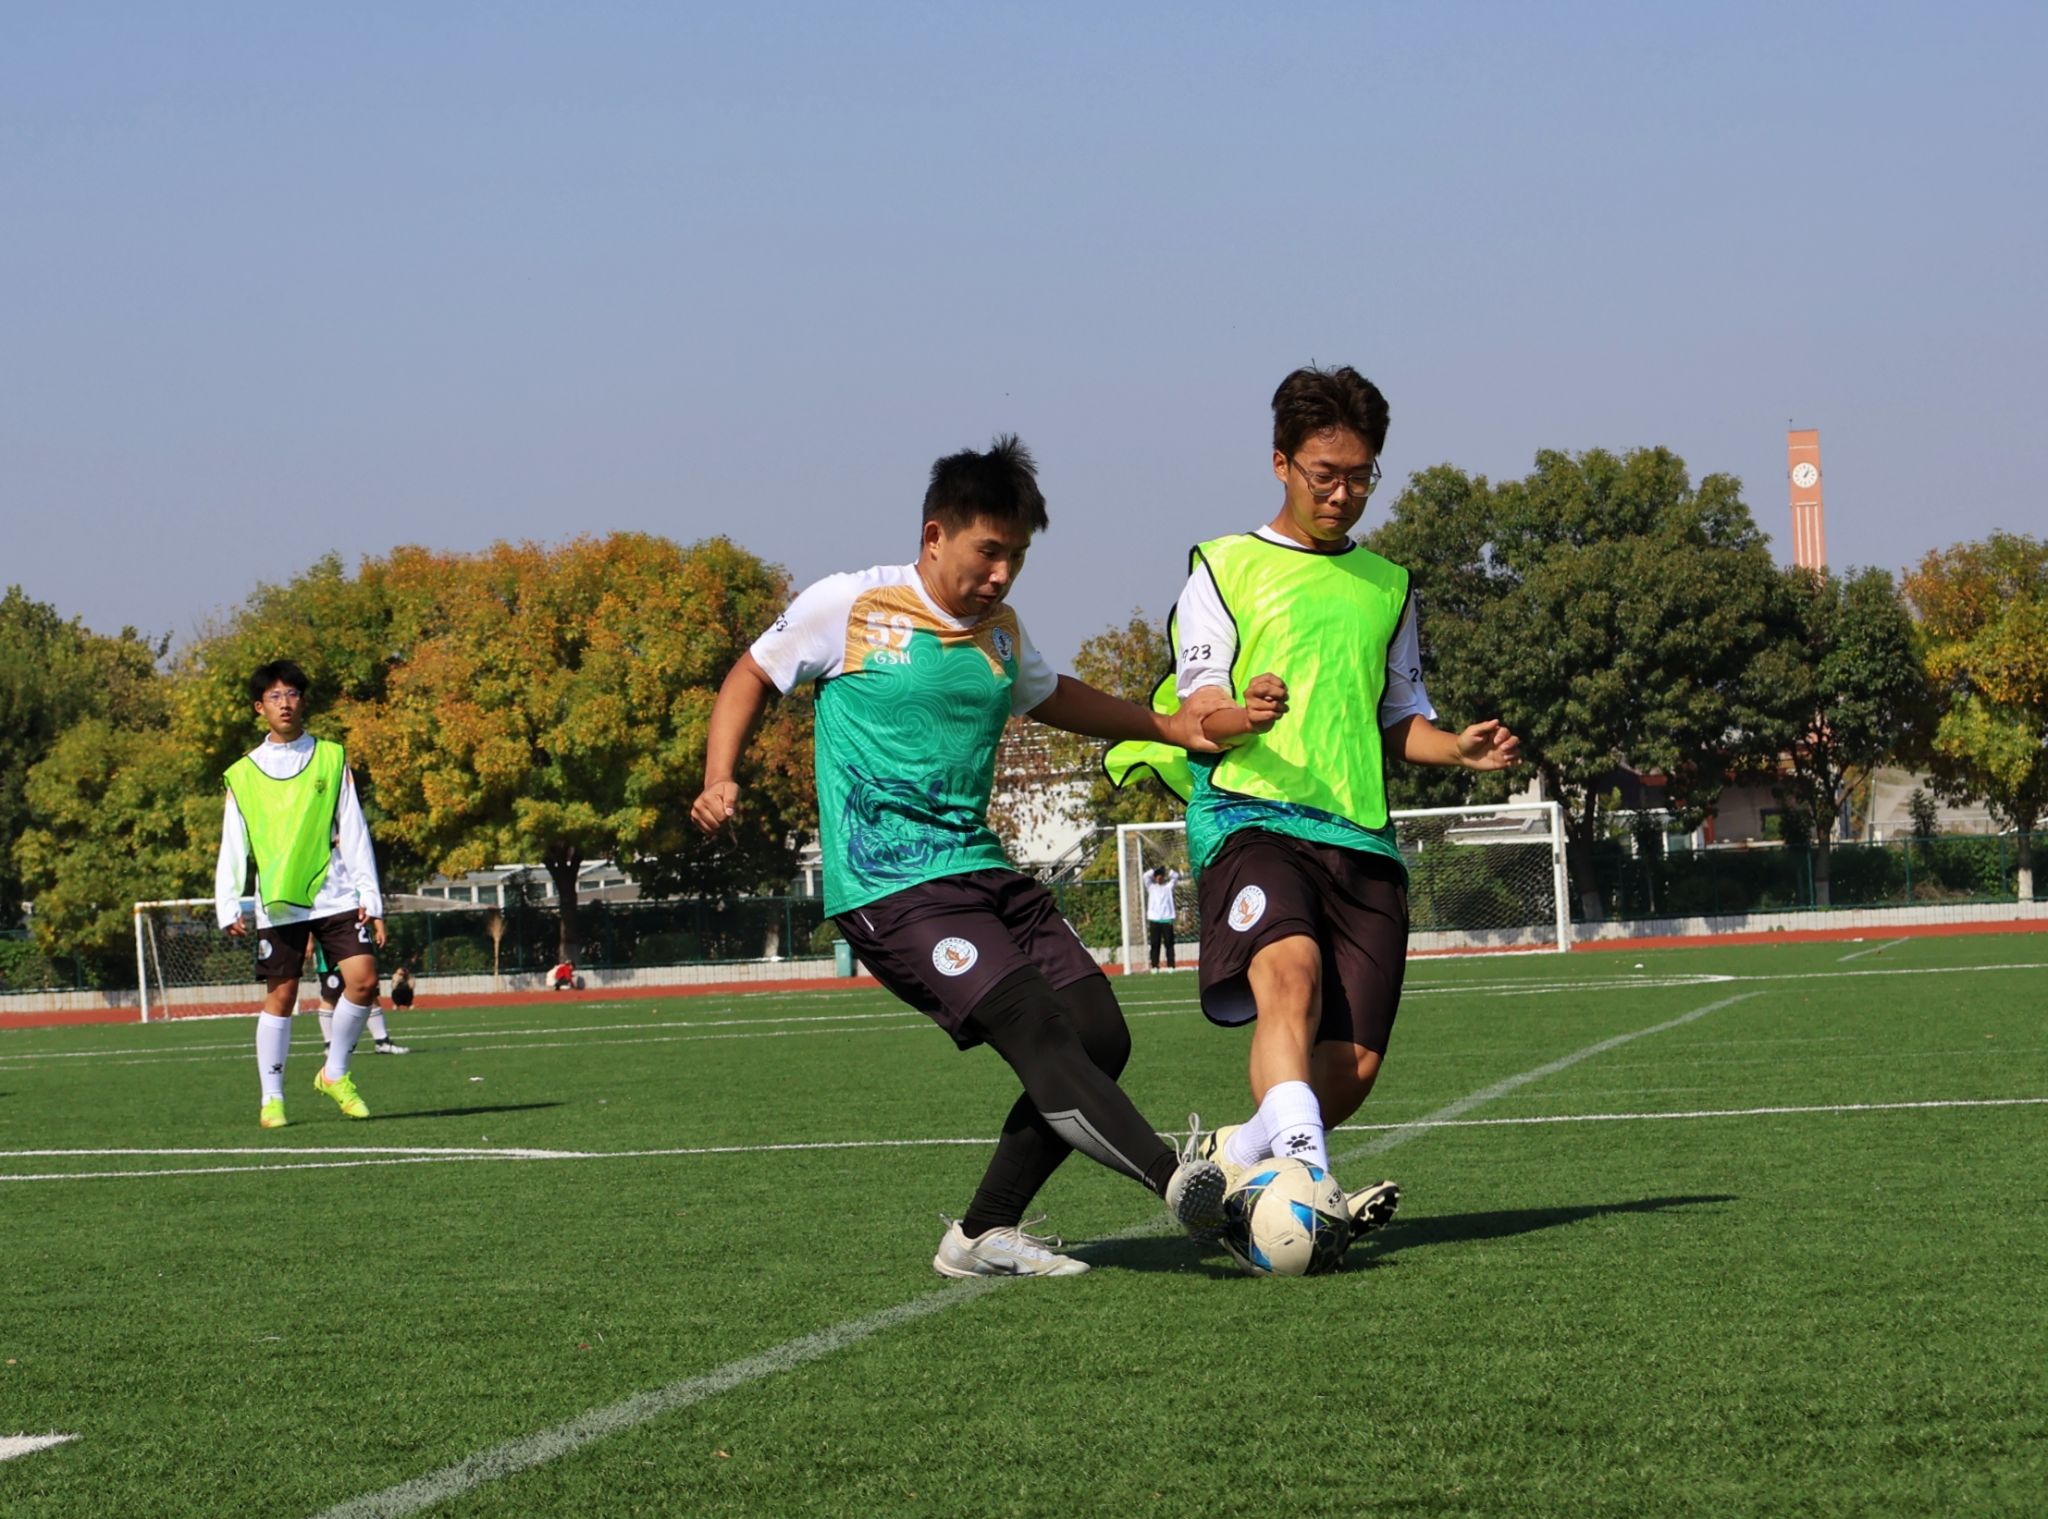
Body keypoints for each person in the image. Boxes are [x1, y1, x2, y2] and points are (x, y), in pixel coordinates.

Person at [691, 435, 1229, 1279]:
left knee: (1099, 1032)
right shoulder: (850, 605)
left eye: (1018, 557)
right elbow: (751, 674)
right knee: (1034, 1023)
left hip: (982, 869)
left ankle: (981, 1233)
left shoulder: (1001, 634)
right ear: (935, 535)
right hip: (893, 885)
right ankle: (1180, 1182)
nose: (1002, 574)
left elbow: (1052, 696)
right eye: (989, 552)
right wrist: (719, 775)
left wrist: (1165, 724)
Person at [1107, 366, 1522, 1244]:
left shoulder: (1388, 585)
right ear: (1281, 463)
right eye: (1324, 474)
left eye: (1361, 476)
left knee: (1353, 1068)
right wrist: (1243, 713)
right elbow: (1197, 712)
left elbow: (1400, 719)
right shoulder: (1223, 567)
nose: (1342, 494)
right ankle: (1309, 1191)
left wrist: (1459, 749)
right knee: (1287, 976)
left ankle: (1234, 1158)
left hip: (1360, 836)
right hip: (1249, 814)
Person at [217, 659, 387, 1128]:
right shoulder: (243, 773)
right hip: (278, 900)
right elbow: (234, 839)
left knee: (364, 980)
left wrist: (370, 896)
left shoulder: (331, 757)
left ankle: (335, 1073)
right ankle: (272, 1098)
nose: (285, 703)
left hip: (335, 892)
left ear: (303, 701)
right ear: (260, 707)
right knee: (283, 995)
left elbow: (354, 828)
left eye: (291, 693)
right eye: (274, 696)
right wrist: (228, 901)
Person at [304, 946, 411, 1055]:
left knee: (369, 993)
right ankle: (330, 1045)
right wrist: (310, 941)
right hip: (332, 955)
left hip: (358, 953)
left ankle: (382, 1042)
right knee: (331, 998)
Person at [1143, 865, 1182, 972]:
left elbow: (1176, 877)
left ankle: (1171, 966)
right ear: (1155, 878)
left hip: (1167, 919)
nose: (1159, 878)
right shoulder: (1151, 887)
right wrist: (1154, 869)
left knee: (1169, 943)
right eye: (1157, 876)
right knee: (1155, 943)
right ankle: (1155, 966)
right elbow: (1145, 876)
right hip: (1154, 919)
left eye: (1161, 876)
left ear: (1164, 877)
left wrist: (1168, 871)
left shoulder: (1168, 887)